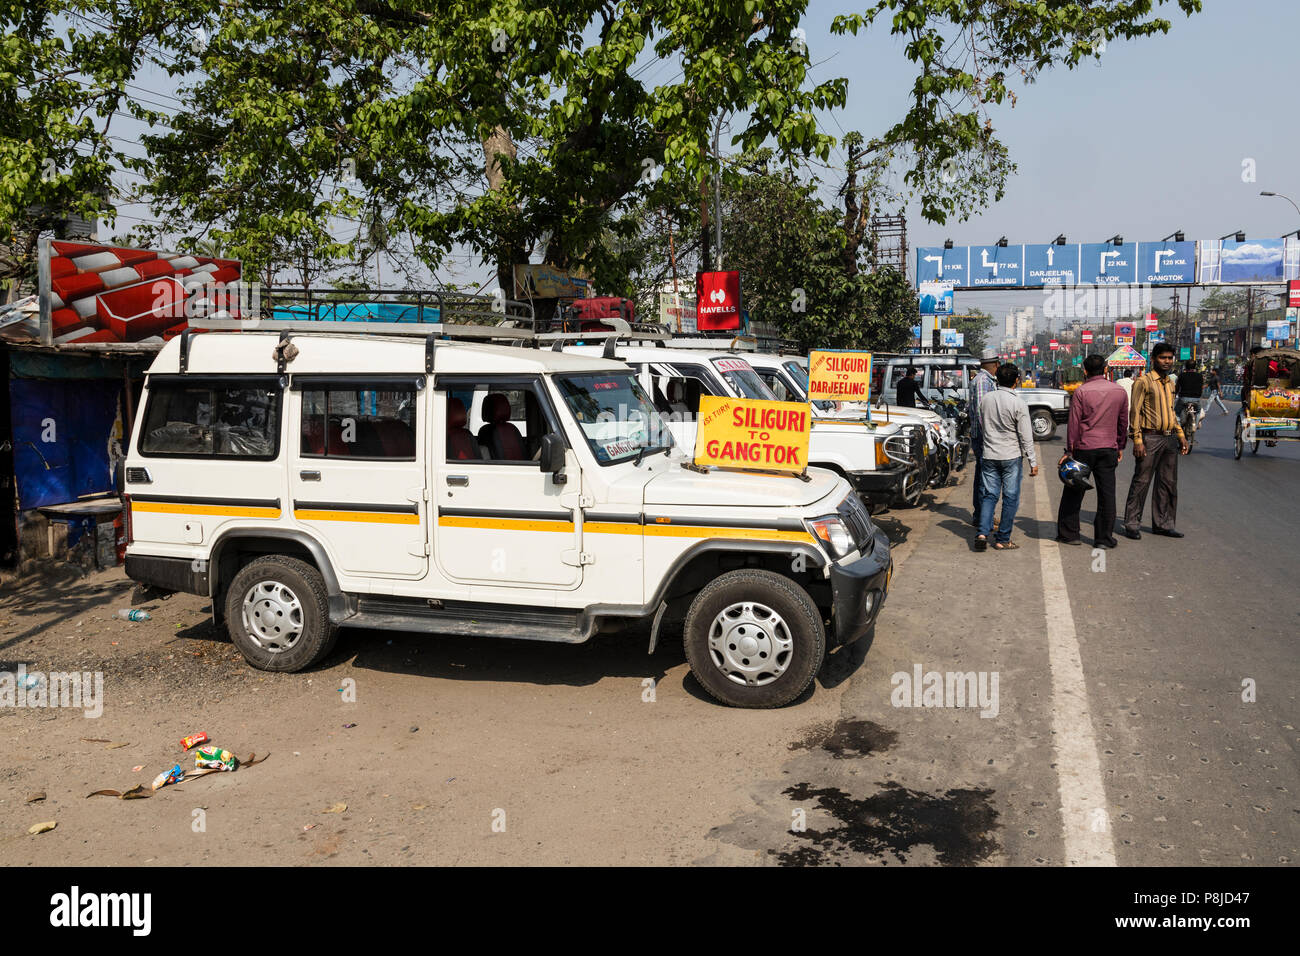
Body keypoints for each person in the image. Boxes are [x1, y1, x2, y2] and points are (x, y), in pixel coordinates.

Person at [1055, 354, 1127, 549]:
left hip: (1084, 448)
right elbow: (1123, 422)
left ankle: (1070, 534)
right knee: (1107, 494)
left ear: (1085, 371)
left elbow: (1074, 425)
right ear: (1105, 369)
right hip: (1108, 448)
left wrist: (1069, 450)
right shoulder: (1119, 392)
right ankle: (1103, 538)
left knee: (1073, 493)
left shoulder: (1081, 392)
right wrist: (1120, 445)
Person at [1122, 343, 1189, 540]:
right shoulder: (1143, 382)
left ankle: (1163, 524)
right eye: (1163, 358)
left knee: (1168, 483)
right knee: (1141, 481)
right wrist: (1137, 440)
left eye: (1170, 358)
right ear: (1154, 359)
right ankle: (1132, 524)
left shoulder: (1170, 383)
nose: (1167, 362)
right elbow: (1134, 412)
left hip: (1169, 437)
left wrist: (1181, 435)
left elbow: (1170, 412)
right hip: (1149, 437)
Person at [974, 363, 1038, 552]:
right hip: (1011, 456)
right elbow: (1026, 436)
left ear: (997, 379)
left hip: (989, 454)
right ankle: (1002, 538)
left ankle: (982, 533)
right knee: (1010, 498)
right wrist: (1033, 461)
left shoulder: (986, 399)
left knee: (989, 495)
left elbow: (982, 424)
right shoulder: (1018, 403)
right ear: (1016, 380)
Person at [967, 350, 1000, 524]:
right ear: (995, 365)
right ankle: (982, 517)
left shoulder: (983, 380)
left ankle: (981, 514)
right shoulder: (983, 381)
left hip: (981, 434)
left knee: (983, 475)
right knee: (985, 478)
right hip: (983, 435)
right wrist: (990, 436)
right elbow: (982, 412)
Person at [1174, 360, 1204, 426]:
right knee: (1198, 412)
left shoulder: (1181, 376)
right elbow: (1201, 388)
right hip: (1196, 399)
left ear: (1186, 367)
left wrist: (1174, 394)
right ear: (1195, 367)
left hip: (1183, 399)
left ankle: (1179, 428)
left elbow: (1177, 388)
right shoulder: (1200, 376)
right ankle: (1195, 426)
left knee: (1176, 412)